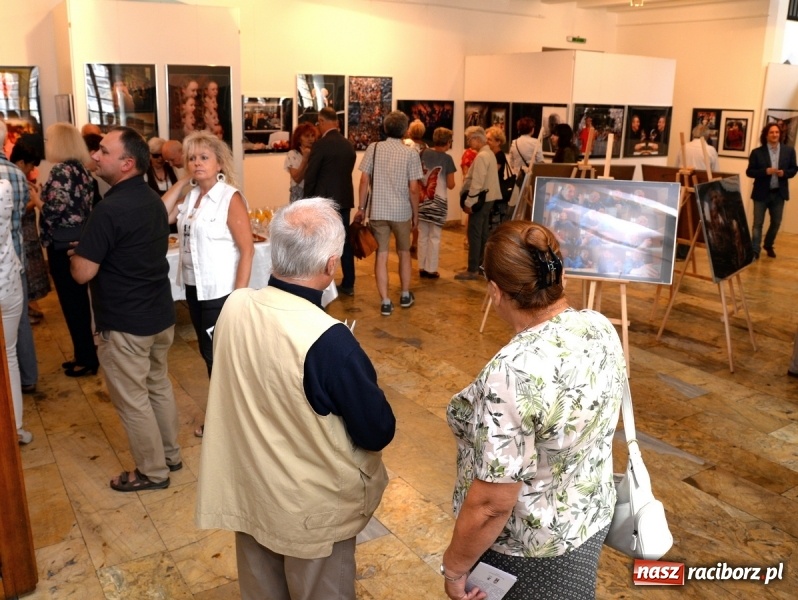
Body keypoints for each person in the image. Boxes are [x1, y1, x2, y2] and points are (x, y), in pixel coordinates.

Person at [195, 197, 396, 600]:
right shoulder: (328, 340)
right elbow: (376, 431)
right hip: (308, 511)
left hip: (251, 490)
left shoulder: (234, 306)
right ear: (330, 265)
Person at [442, 220, 626, 600]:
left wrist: (455, 568)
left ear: (496, 290)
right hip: (588, 520)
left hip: (528, 549)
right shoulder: (599, 325)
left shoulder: (512, 372)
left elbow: (493, 504)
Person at [71, 126, 182, 491]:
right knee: (157, 385)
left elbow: (83, 272)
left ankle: (152, 472)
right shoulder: (152, 198)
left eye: (104, 151)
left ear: (127, 163)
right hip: (159, 316)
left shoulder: (108, 209)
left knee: (134, 400)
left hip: (126, 322)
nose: (96, 155)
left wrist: (80, 254)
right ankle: (170, 455)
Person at [162, 131, 254, 438]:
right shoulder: (191, 197)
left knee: (221, 358)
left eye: (204, 157)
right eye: (191, 158)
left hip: (221, 291)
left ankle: (228, 423)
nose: (197, 163)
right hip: (195, 287)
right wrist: (182, 181)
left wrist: (239, 296)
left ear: (219, 163)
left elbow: (247, 249)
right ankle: (226, 419)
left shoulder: (230, 197)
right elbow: (162, 213)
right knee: (208, 354)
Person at [38, 123, 99, 378]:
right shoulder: (82, 170)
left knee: (72, 304)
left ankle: (86, 359)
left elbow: (54, 208)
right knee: (79, 303)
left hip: (62, 245)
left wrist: (38, 204)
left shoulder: (61, 170)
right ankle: (84, 354)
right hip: (78, 242)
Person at [357, 110, 422, 315]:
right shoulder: (411, 153)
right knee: (404, 254)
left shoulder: (373, 148)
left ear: (385, 128)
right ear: (404, 130)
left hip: (378, 211)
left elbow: (364, 180)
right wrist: (415, 214)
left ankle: (385, 301)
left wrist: (361, 208)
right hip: (402, 212)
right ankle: (404, 295)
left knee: (382, 256)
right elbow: (414, 188)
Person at [303, 106, 357, 295]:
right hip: (343, 199)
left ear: (323, 121)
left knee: (323, 243)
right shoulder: (348, 144)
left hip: (324, 202)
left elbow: (311, 176)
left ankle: (323, 285)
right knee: (344, 241)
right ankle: (349, 282)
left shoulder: (321, 145)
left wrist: (306, 202)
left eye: (319, 123)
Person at [0, 178, 32, 444]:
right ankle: (16, 428)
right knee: (9, 357)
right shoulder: (4, 186)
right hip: (8, 281)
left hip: (8, 282)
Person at [454, 127, 501, 281]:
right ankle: (481, 266)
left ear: (477, 139)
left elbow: (477, 183)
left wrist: (469, 202)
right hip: (489, 199)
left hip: (481, 201)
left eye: (470, 139)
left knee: (474, 234)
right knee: (482, 234)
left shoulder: (482, 156)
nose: (469, 142)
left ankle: (473, 269)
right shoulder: (489, 154)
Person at [746, 123, 798, 259]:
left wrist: (784, 173)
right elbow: (749, 172)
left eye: (777, 132)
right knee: (757, 224)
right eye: (771, 132)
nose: (775, 135)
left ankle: (768, 244)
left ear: (780, 135)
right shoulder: (757, 152)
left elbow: (794, 169)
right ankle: (755, 250)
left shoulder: (789, 151)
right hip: (761, 194)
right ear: (766, 135)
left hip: (779, 194)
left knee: (776, 223)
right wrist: (765, 171)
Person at [418, 127, 456, 278]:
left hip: (422, 200)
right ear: (447, 142)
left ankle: (421, 266)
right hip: (439, 203)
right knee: (435, 236)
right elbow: (451, 184)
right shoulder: (447, 159)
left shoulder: (423, 153)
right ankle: (431, 268)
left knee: (422, 235)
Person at [283, 122, 318, 203]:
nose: (310, 139)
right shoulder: (292, 154)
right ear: (299, 139)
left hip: (314, 194)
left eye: (312, 136)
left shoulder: (317, 153)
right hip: (299, 196)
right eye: (307, 136)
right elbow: (297, 178)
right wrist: (305, 159)